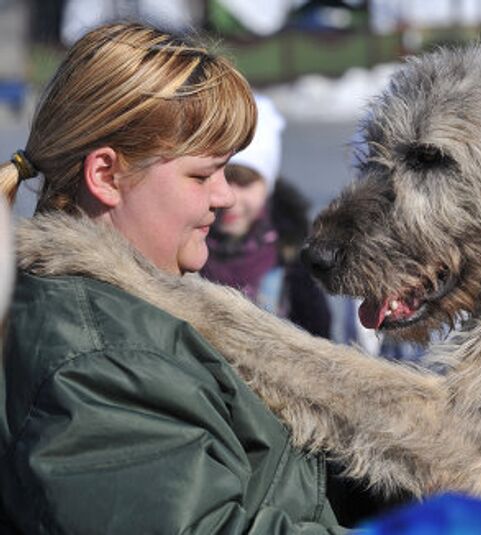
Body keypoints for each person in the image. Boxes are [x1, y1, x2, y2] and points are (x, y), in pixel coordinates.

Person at [0, 23, 346, 534]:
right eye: (202, 175)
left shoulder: (135, 313)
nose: (224, 197)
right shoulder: (97, 361)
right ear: (106, 176)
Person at [201, 96, 332, 338]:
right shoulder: (185, 248)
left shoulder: (291, 256)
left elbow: (319, 338)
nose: (230, 198)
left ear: (267, 185)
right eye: (219, 178)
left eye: (245, 183)